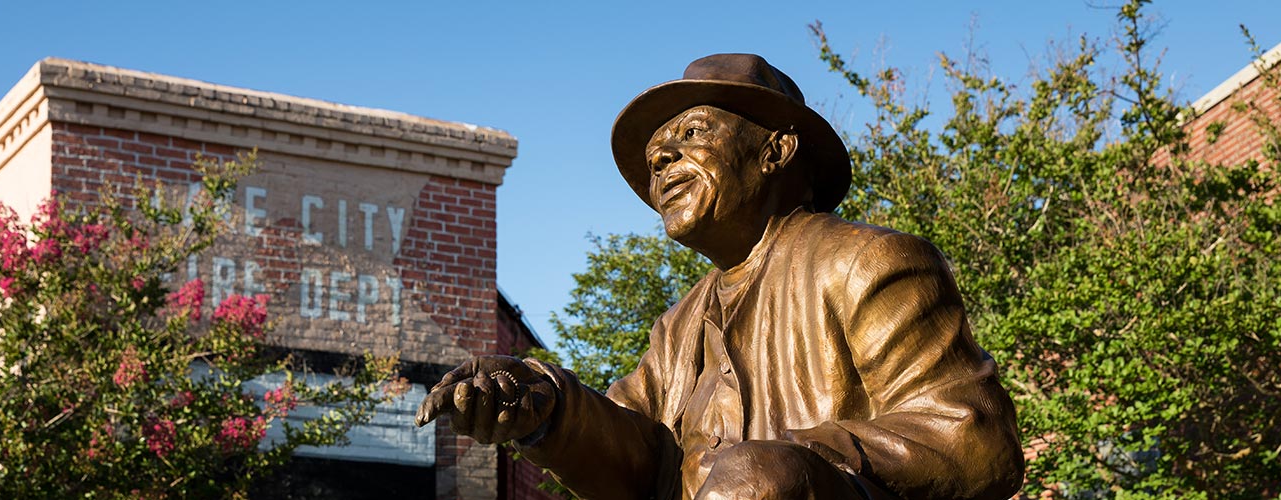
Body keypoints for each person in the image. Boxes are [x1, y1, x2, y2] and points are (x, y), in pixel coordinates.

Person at [415, 53, 1025, 500]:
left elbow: (973, 440)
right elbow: (641, 459)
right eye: (656, 152)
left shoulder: (866, 262)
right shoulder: (678, 326)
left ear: (776, 151)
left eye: (693, 132)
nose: (660, 159)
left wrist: (784, 467)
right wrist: (544, 403)